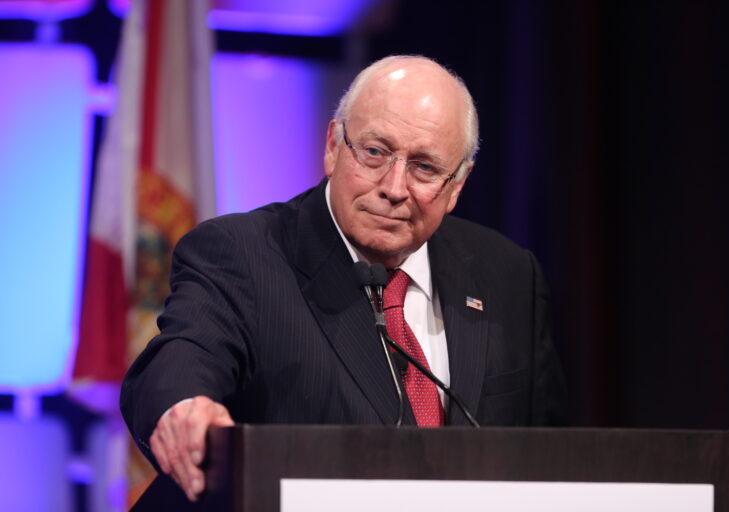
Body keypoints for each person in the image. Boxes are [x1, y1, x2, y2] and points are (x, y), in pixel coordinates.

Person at [121, 55, 568, 502]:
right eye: (375, 153)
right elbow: (182, 356)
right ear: (334, 145)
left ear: (457, 185)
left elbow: (557, 461)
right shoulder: (241, 255)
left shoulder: (507, 275)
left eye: (424, 168)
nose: (394, 188)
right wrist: (182, 405)